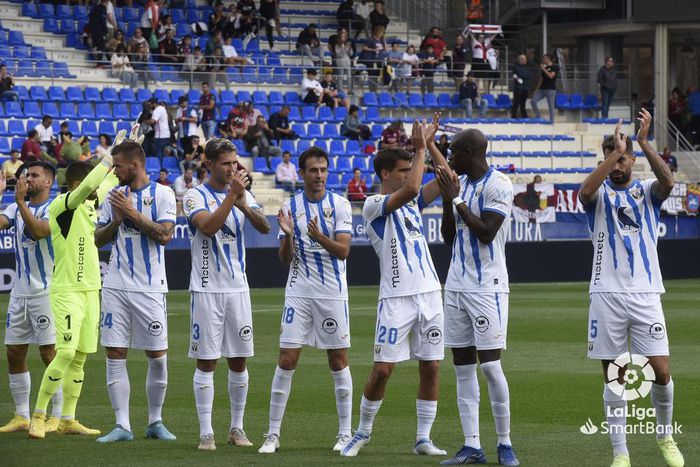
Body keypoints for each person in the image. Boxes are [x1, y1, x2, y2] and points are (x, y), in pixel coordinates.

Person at [578, 111, 683, 467]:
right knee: (615, 376)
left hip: (645, 294)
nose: (618, 164)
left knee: (662, 370)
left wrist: (641, 140)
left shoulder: (647, 193)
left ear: (633, 159)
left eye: (623, 158)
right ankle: (620, 453)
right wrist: (612, 153)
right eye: (612, 157)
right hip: (606, 295)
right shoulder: (598, 195)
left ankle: (665, 436)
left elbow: (668, 182)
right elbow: (585, 192)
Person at [341, 116, 449, 457]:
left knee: (431, 366)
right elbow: (414, 188)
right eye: (402, 169)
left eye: (409, 168)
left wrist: (429, 145)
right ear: (386, 174)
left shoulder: (412, 201)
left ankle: (423, 439)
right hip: (396, 298)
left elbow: (449, 179)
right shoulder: (373, 206)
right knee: (383, 370)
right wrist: (419, 149)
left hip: (430, 294)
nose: (408, 173)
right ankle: (362, 433)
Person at [27, 127, 137, 439]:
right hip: (67, 290)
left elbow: (111, 181)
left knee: (81, 357)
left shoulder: (88, 204)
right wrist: (109, 154)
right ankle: (39, 415)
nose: (96, 188)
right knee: (64, 352)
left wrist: (126, 153)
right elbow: (94, 182)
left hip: (91, 290)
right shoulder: (62, 205)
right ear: (78, 184)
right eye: (91, 182)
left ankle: (67, 419)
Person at [430, 127, 520, 466]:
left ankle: (505, 444)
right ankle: (471, 446)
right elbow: (448, 237)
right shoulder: (461, 185)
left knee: (492, 367)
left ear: (469, 152)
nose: (450, 158)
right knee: (463, 369)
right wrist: (446, 198)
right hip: (455, 286)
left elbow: (486, 233)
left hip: (487, 288)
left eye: (453, 152)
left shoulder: (499, 185)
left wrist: (455, 198)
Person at [259, 146, 354, 454]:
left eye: (323, 170)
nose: (319, 176)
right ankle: (272, 434)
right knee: (286, 359)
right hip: (298, 292)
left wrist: (318, 237)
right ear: (301, 174)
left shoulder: (339, 205)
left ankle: (344, 433)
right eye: (313, 170)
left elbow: (343, 251)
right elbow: (284, 259)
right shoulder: (290, 207)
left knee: (338, 361)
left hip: (332, 294)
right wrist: (287, 235)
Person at [183, 138, 270, 451]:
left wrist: (243, 202)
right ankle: (206, 431)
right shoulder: (195, 195)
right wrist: (231, 197)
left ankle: (237, 428)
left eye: (235, 162)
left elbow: (263, 227)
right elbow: (207, 227)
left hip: (238, 288)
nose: (233, 168)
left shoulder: (241, 194)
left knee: (239, 360)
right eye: (225, 163)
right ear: (209, 164)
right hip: (207, 288)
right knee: (207, 361)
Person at [93, 139, 177, 443]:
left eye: (117, 166)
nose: (114, 172)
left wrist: (132, 214)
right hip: (115, 285)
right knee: (115, 353)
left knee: (157, 357)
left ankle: (155, 421)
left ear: (135, 165)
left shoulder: (163, 193)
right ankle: (122, 425)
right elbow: (97, 240)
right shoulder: (112, 196)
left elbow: (165, 235)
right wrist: (116, 222)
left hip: (150, 288)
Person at [0, 163, 63, 434]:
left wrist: (20, 203)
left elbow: (39, 231)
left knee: (50, 354)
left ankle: (58, 416)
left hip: (47, 292)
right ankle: (21, 416)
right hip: (20, 292)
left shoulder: (56, 208)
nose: (27, 178)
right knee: (14, 352)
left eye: (34, 175)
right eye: (25, 175)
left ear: (49, 182)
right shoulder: (14, 208)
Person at [530, 54, 558, 122]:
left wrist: (544, 69)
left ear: (548, 59)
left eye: (544, 58)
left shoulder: (555, 67)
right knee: (533, 101)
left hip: (550, 89)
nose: (543, 60)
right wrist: (536, 89)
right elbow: (541, 80)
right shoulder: (544, 68)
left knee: (551, 107)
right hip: (542, 89)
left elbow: (551, 76)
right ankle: (538, 117)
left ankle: (551, 122)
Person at [358, 26, 386, 92]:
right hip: (372, 61)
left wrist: (384, 40)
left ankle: (375, 90)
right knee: (372, 76)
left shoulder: (381, 41)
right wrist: (373, 50)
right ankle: (372, 90)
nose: (381, 34)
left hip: (379, 61)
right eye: (381, 32)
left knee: (377, 76)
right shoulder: (371, 40)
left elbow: (385, 49)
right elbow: (364, 47)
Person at [511, 54, 530, 119]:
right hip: (518, 88)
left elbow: (529, 76)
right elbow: (519, 74)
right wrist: (522, 76)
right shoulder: (515, 67)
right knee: (516, 103)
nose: (526, 60)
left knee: (523, 103)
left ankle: (524, 116)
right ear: (521, 60)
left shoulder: (526, 67)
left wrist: (522, 77)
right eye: (524, 59)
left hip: (525, 88)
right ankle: (513, 116)